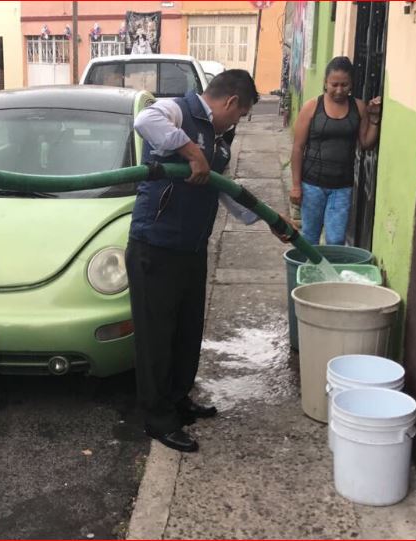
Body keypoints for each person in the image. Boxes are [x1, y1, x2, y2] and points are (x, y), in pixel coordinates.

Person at [128, 69, 289, 453]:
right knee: (157, 339)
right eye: (240, 114)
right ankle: (158, 418)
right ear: (230, 102)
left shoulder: (219, 138)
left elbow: (226, 191)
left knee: (186, 333)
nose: (238, 121)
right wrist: (190, 151)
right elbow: (143, 119)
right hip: (156, 247)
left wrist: (271, 222)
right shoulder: (179, 111)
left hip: (191, 250)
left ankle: (179, 400)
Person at [289, 56, 382, 245]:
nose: (339, 90)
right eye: (334, 84)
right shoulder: (312, 107)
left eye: (344, 85)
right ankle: (309, 273)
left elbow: (366, 143)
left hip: (342, 188)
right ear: (325, 82)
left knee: (336, 239)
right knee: (310, 237)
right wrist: (296, 186)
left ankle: (329, 274)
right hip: (312, 185)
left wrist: (373, 119)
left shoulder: (359, 108)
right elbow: (298, 148)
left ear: (351, 84)